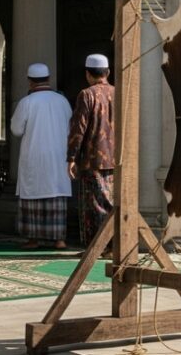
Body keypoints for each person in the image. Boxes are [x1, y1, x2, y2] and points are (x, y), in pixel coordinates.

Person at [10, 63, 72, 249]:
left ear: (30, 82)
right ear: (48, 79)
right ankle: (59, 239)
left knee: (33, 196)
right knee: (56, 195)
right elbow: (70, 127)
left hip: (34, 158)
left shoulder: (26, 102)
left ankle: (33, 239)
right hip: (58, 157)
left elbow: (16, 130)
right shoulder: (62, 101)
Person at [67, 54, 115, 249]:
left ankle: (96, 249)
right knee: (112, 203)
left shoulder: (86, 95)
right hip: (116, 158)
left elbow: (78, 129)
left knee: (94, 206)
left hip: (93, 159)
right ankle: (114, 246)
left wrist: (71, 157)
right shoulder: (118, 92)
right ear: (108, 73)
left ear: (88, 74)